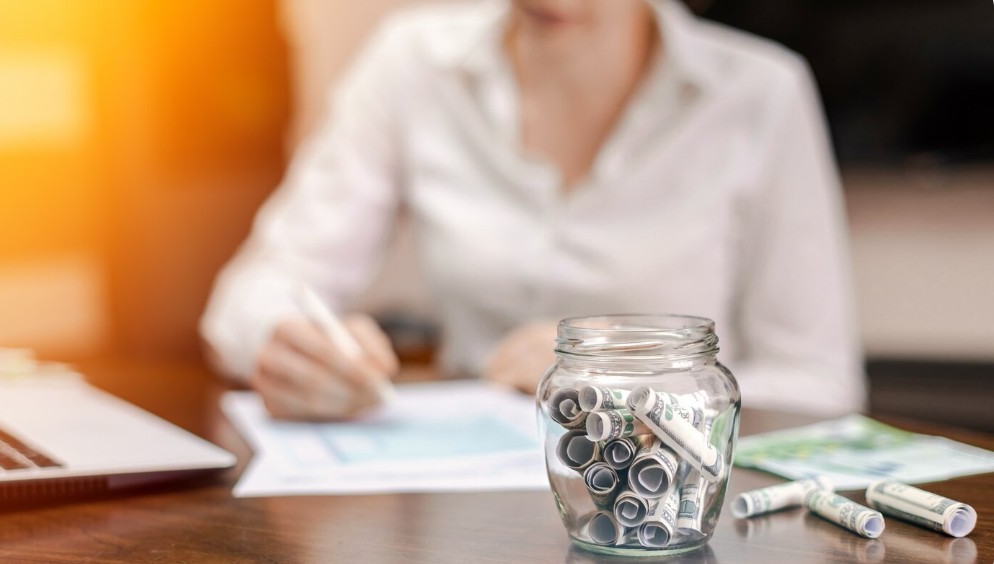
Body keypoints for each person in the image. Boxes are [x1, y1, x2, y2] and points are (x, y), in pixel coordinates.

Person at [201, 0, 866, 420]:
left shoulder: (762, 93)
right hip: (458, 507)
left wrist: (622, 381)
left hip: (665, 502)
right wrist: (291, 349)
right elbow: (246, 299)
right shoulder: (412, 62)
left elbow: (818, 383)